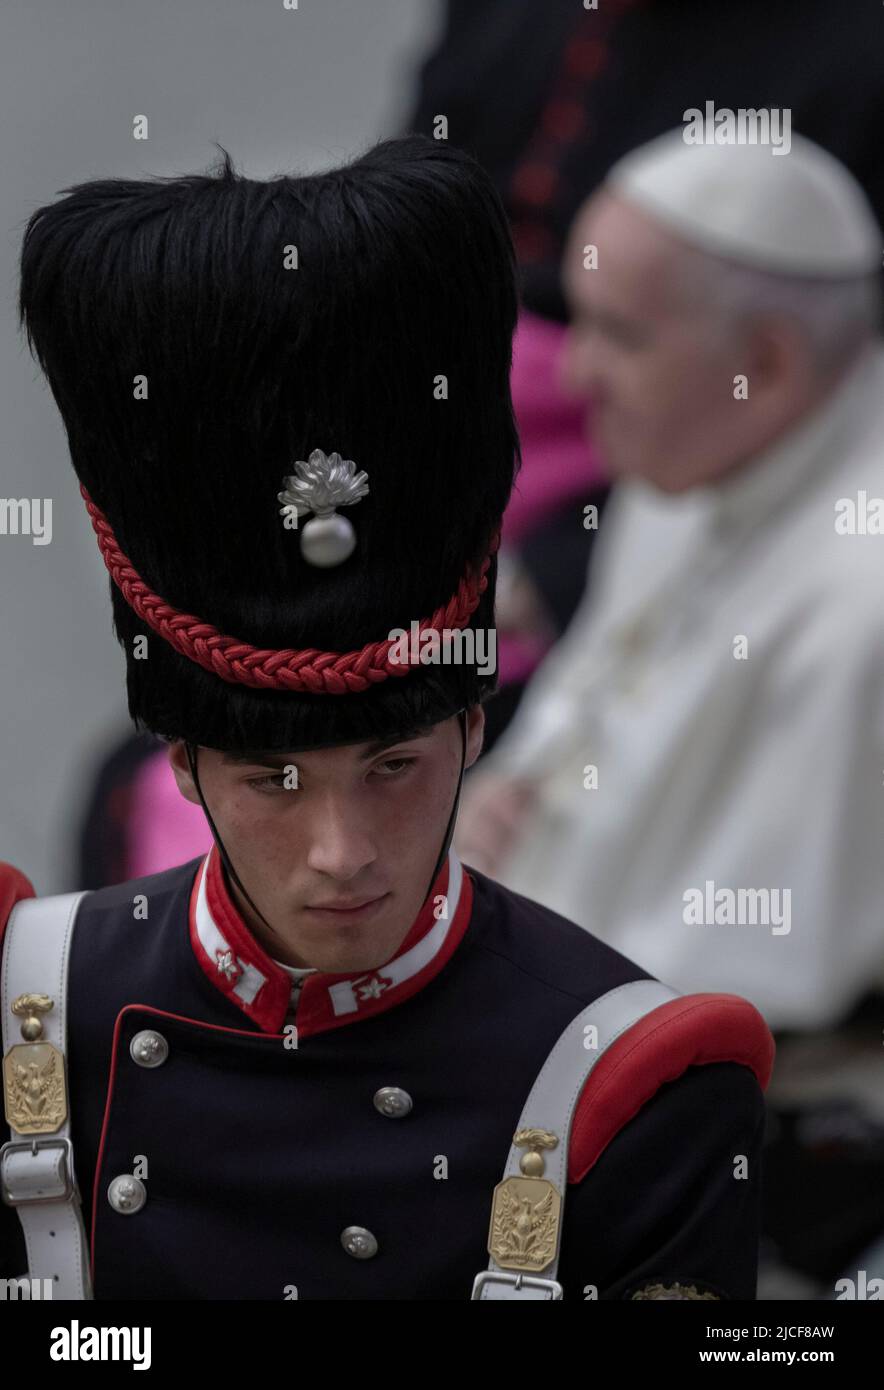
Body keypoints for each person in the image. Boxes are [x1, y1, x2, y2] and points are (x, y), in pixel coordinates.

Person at [0, 135, 771, 1302]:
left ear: (471, 733)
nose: (344, 852)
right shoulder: (25, 1019)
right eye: (273, 780)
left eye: (393, 762)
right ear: (184, 764)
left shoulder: (637, 1085)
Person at [456, 129, 884, 1036]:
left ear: (764, 365)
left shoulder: (863, 600)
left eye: (619, 334)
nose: (574, 373)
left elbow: (763, 976)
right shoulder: (695, 461)